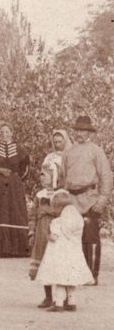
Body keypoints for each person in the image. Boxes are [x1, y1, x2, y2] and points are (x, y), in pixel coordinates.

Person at [61, 115, 113, 285]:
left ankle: (92, 275)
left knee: (90, 238)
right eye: (77, 130)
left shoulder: (96, 151)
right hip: (71, 200)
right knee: (72, 237)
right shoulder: (68, 152)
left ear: (89, 133)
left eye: (84, 130)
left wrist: (101, 201)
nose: (80, 133)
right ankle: (76, 273)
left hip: (90, 199)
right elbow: (63, 177)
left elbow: (106, 177)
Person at [35, 190, 94, 312]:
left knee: (60, 280)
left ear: (59, 207)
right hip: (74, 253)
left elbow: (55, 235)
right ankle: (71, 302)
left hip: (62, 255)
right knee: (70, 280)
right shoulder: (76, 215)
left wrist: (50, 233)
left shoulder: (59, 221)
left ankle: (59, 304)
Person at [0, 124, 29, 257]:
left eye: (7, 131)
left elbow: (26, 168)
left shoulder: (20, 149)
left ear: (12, 133)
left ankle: (17, 249)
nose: (4, 134)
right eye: (2, 132)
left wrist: (16, 179)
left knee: (16, 212)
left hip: (15, 187)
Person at [29, 166, 60, 308]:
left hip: (56, 230)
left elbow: (61, 211)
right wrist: (31, 231)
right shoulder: (39, 195)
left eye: (45, 176)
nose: (42, 178)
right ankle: (48, 297)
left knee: (57, 262)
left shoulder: (60, 194)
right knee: (43, 262)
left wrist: (47, 210)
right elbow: (33, 215)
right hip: (42, 232)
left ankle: (61, 298)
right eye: (41, 176)